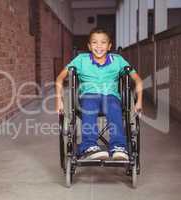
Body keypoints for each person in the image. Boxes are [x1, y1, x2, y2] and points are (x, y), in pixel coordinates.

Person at [55, 28, 143, 161]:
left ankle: (118, 146)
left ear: (109, 46)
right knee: (89, 106)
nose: (99, 46)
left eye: (103, 42)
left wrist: (139, 101)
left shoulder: (118, 60)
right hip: (88, 96)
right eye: (95, 43)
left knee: (114, 106)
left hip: (111, 96)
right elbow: (60, 78)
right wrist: (59, 100)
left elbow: (137, 79)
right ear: (89, 46)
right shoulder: (81, 60)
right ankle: (89, 146)